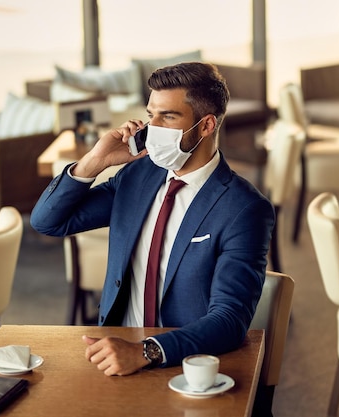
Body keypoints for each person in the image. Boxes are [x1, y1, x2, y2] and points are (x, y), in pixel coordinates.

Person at [30, 62, 275, 377]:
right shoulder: (139, 176)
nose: (153, 128)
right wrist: (96, 160)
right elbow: (48, 221)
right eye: (151, 116)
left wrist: (145, 352)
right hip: (116, 352)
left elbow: (229, 320)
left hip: (183, 362)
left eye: (168, 117)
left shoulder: (244, 209)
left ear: (206, 125)